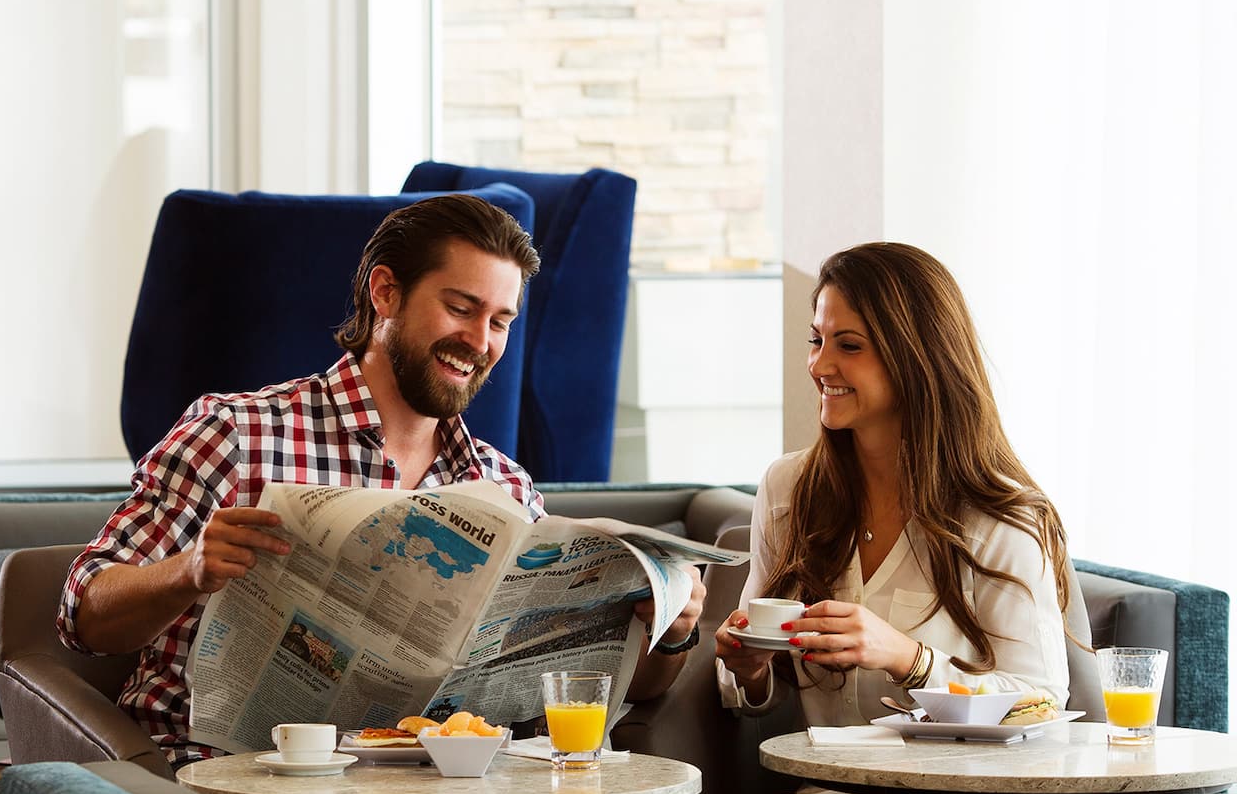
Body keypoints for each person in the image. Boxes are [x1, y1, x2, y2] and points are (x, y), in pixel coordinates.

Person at [59, 193, 707, 762]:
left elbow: (590, 692)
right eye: (461, 308)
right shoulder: (235, 433)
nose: (480, 342)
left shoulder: (507, 490)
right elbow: (83, 614)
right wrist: (187, 571)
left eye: (501, 322)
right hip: (225, 785)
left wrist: (672, 633)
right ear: (385, 293)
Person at [714, 242, 1073, 726]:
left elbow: (1044, 703)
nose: (820, 366)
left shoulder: (998, 516)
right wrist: (749, 667)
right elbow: (761, 688)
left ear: (916, 357)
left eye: (850, 345)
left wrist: (910, 660)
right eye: (816, 340)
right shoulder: (788, 487)